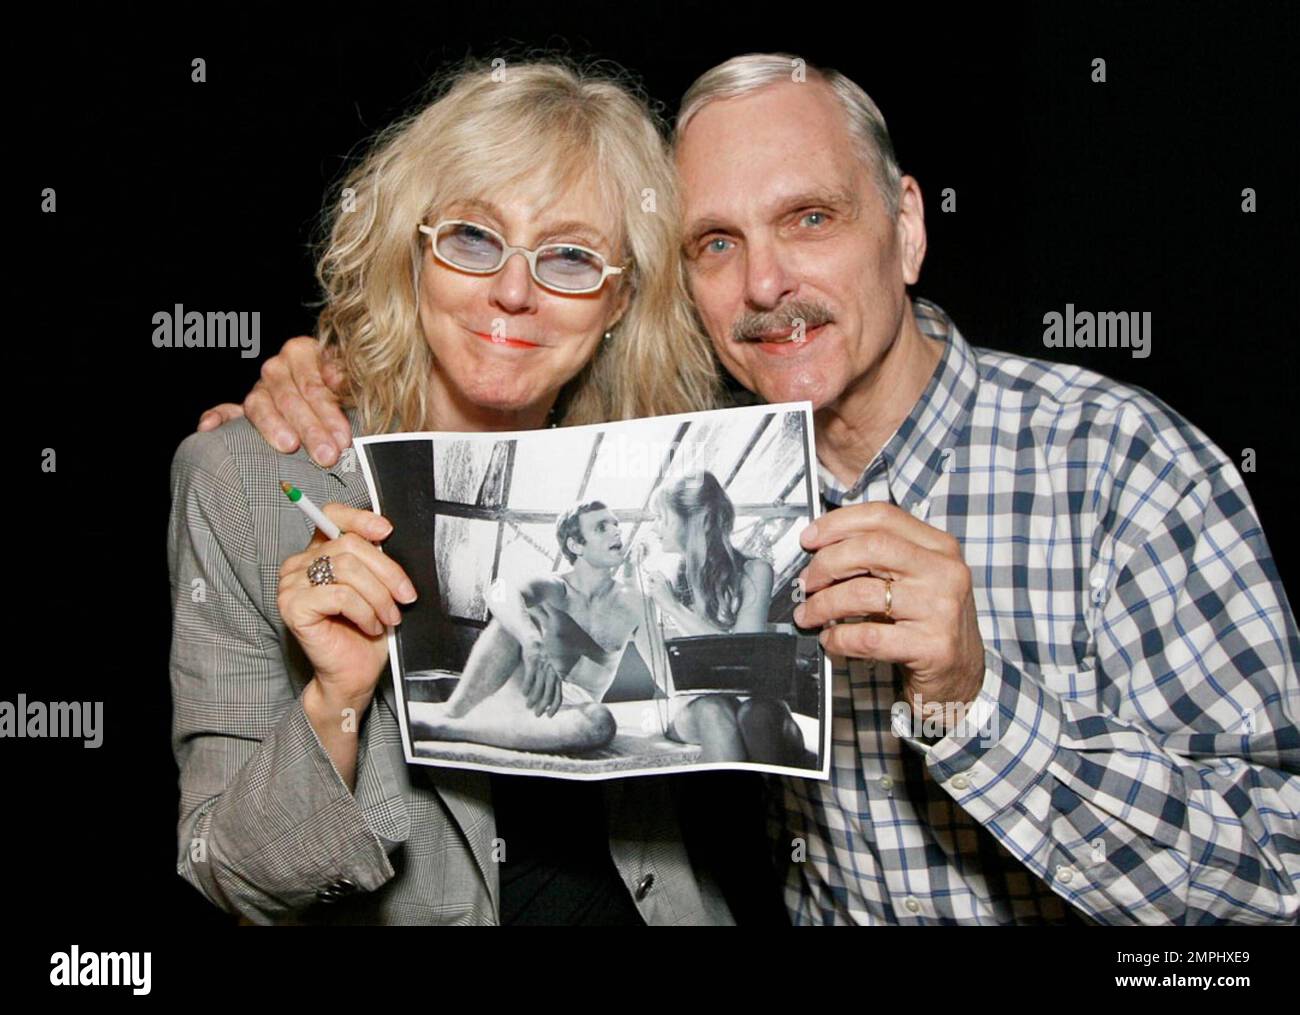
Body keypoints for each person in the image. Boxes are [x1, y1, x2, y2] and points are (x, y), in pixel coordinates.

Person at [201, 53, 1299, 925]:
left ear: (907, 227)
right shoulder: (693, 471)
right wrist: (327, 379)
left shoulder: (1116, 467)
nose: (765, 282)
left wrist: (975, 698)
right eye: (716, 243)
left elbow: (1273, 879)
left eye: (810, 219)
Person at [169, 57, 741, 927]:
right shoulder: (244, 480)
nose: (513, 290)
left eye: (571, 256)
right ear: (415, 251)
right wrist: (335, 703)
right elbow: (229, 875)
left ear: (621, 298)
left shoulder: (654, 467)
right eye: (474, 238)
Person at [409, 501, 665, 753]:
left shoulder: (635, 601)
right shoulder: (554, 587)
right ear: (575, 545)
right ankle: (451, 713)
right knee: (514, 618)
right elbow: (498, 591)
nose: (616, 530)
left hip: (567, 713)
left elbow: (663, 669)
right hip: (517, 692)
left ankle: (448, 727)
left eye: (615, 524)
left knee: (600, 722)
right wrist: (532, 641)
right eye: (601, 527)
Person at [642, 471, 805, 764]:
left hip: (752, 700)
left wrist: (674, 608)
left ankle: (778, 802)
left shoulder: (755, 572)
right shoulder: (671, 579)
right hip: (699, 704)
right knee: (715, 709)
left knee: (756, 715)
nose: (655, 528)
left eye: (661, 518)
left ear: (696, 520)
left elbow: (744, 656)